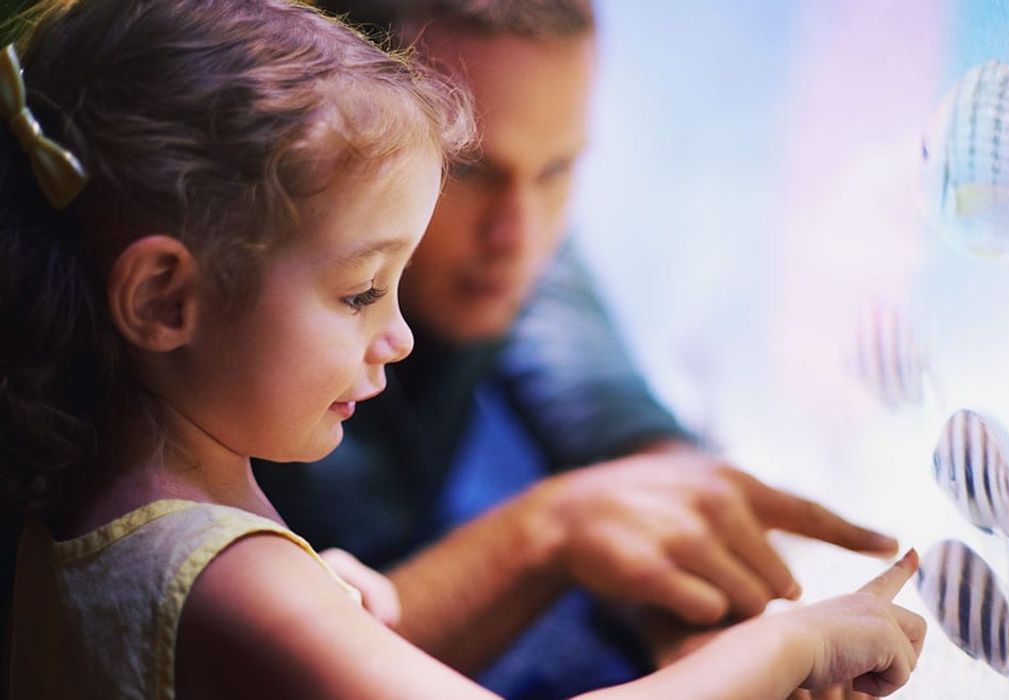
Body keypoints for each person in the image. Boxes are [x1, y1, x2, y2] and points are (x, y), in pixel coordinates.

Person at [0, 1, 928, 697]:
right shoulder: (227, 579)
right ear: (167, 298)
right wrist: (787, 646)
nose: (396, 335)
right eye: (360, 291)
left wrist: (356, 608)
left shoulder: (84, 497)